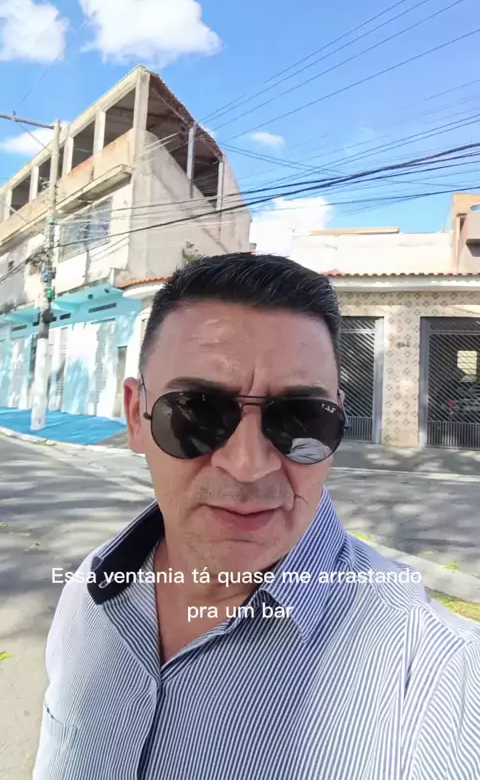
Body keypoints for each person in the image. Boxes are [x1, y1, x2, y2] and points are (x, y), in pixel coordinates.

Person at [33, 253, 480, 780]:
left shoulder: (437, 675)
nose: (248, 465)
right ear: (136, 417)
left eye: (302, 417)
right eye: (197, 411)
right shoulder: (90, 593)